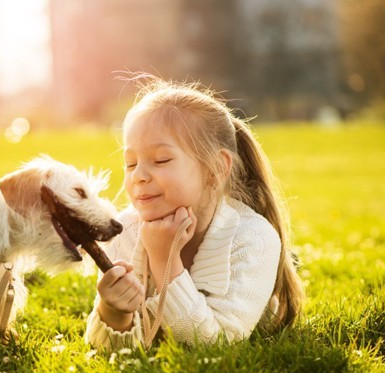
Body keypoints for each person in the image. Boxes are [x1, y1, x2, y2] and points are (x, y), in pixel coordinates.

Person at [85, 78, 305, 350]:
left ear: (216, 168)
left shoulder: (254, 238)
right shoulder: (124, 232)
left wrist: (166, 261)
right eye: (130, 164)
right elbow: (110, 352)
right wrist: (114, 312)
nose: (138, 176)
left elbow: (216, 345)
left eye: (161, 160)